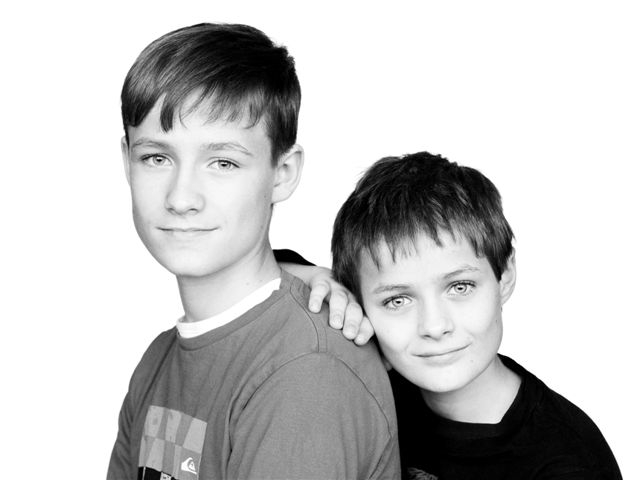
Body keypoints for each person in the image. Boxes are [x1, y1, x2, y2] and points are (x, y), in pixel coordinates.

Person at [108, 23, 400, 480]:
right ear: (127, 161)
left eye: (223, 162)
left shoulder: (307, 371)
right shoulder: (157, 361)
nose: (181, 197)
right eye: (156, 158)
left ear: (282, 173)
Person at [297, 151, 622, 479]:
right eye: (398, 300)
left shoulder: (568, 463)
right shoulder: (369, 392)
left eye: (460, 287)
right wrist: (314, 276)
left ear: (505, 276)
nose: (435, 326)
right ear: (359, 302)